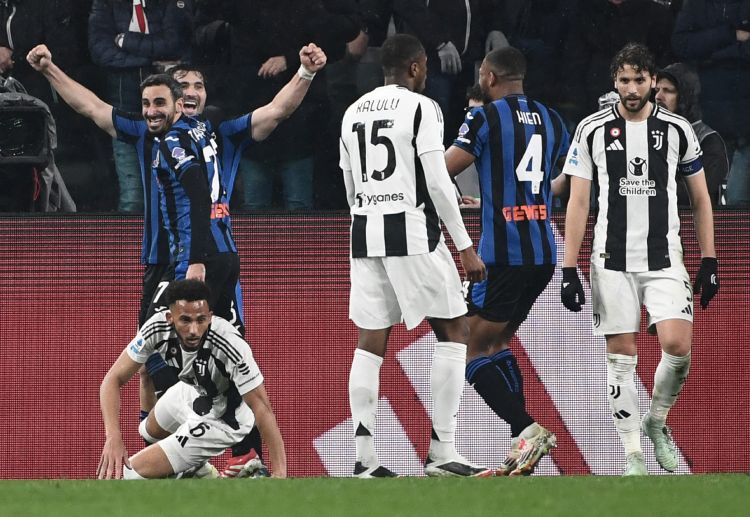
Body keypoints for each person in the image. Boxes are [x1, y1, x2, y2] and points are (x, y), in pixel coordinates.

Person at [27, 41, 327, 475]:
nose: (190, 91)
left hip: (209, 258)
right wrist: (50, 69)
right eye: (181, 86)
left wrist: (305, 73)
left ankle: (245, 457)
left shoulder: (220, 132)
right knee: (152, 358)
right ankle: (171, 450)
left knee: (229, 356)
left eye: (197, 85)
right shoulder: (149, 132)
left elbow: (277, 111)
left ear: (203, 96)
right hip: (163, 261)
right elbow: (91, 107)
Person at [560, 42, 719, 476]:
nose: (632, 89)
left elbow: (701, 199)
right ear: (614, 82)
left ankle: (656, 420)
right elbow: (578, 202)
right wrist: (569, 267)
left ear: (652, 81)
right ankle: (633, 456)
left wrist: (709, 259)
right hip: (611, 260)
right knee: (621, 359)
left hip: (664, 258)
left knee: (678, 347)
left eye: (639, 80)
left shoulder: (677, 129)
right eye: (624, 80)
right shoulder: (591, 129)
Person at [339, 33, 491, 478]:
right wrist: (465, 246)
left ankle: (365, 460)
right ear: (415, 67)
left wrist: (367, 214)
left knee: (370, 341)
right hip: (411, 231)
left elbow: (349, 182)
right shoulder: (423, 107)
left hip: (364, 232)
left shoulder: (353, 111)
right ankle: (443, 452)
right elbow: (438, 180)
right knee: (455, 329)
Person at [444, 46, 569, 476]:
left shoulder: (485, 117)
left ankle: (526, 428)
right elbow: (562, 177)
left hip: (503, 254)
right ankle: (524, 443)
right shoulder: (552, 119)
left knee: (467, 346)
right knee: (497, 344)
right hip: (542, 253)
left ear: (490, 77)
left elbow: (445, 168)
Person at [96, 279, 287, 479]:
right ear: (170, 318)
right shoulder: (157, 328)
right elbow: (112, 379)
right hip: (193, 390)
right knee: (147, 431)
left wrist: (279, 473)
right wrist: (113, 437)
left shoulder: (229, 344)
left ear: (210, 317)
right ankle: (196, 468)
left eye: (201, 320)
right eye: (185, 320)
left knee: (125, 476)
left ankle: (189, 459)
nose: (194, 330)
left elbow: (262, 407)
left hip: (224, 417)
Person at [88, 0, 194, 212]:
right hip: (123, 102)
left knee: (173, 192)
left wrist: (125, 41)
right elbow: (99, 50)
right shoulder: (106, 3)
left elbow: (174, 43)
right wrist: (149, 60)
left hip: (167, 111)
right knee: (132, 197)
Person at [655, 63, 729, 207]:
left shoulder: (709, 141)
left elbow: (694, 194)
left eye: (668, 91)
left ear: (685, 97)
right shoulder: (652, 133)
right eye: (657, 90)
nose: (658, 96)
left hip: (690, 219)